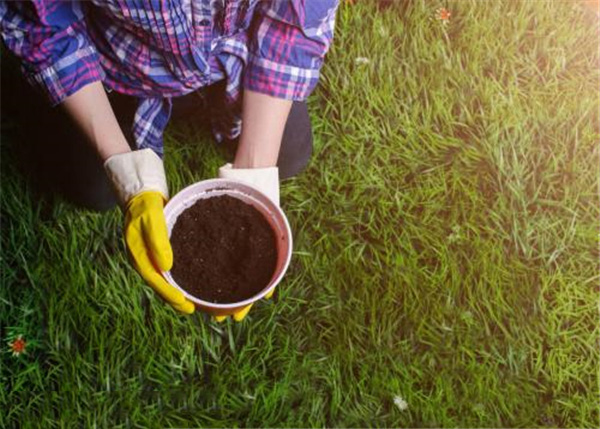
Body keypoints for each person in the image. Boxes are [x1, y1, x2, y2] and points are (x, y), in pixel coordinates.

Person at [0, 0, 339, 320]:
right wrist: (125, 170)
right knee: (92, 189)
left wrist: (255, 171)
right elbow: (41, 26)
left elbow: (294, 22)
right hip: (122, 66)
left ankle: (212, 104)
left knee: (290, 155)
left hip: (235, 54)